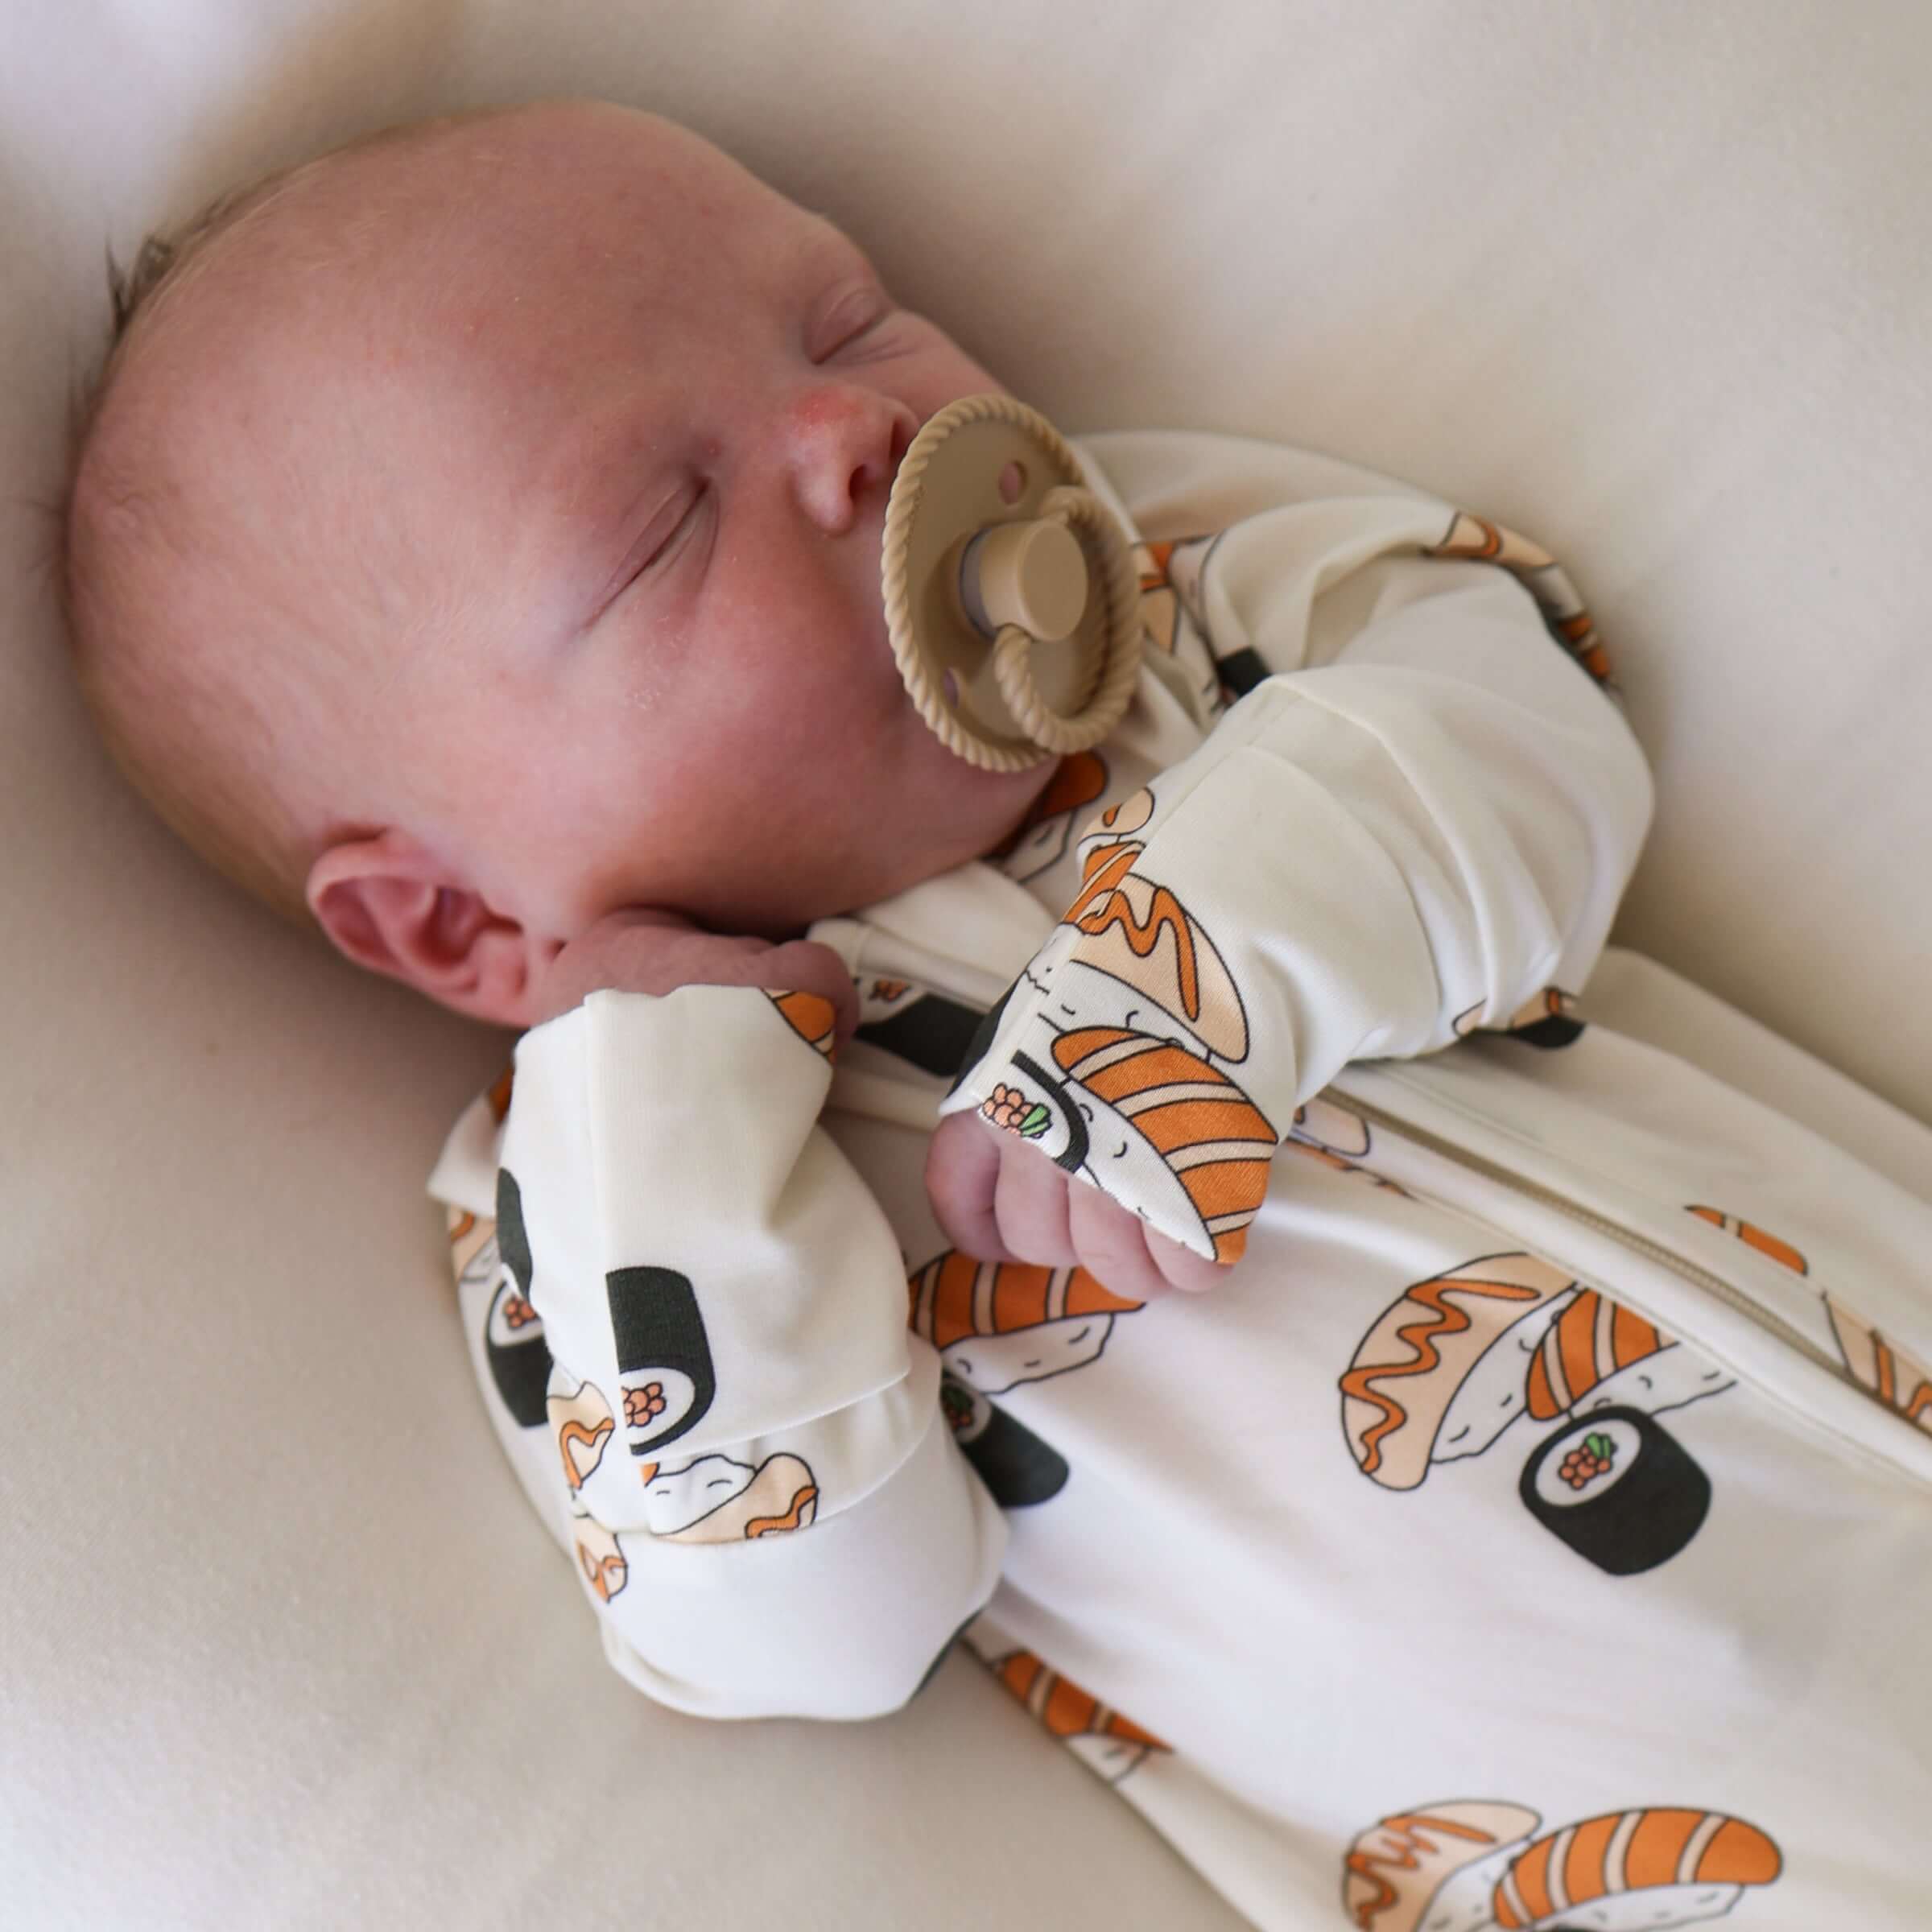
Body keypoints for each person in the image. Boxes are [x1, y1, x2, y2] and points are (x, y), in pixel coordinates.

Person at [60, 97, 1932, 1930]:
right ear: (455, 917)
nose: (852, 430)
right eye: (660, 528)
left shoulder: (1184, 614)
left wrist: (1212, 967)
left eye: (845, 318)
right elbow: (819, 1632)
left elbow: (1529, 729)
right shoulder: (580, 1225)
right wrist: (663, 1144)